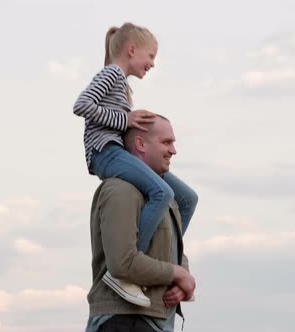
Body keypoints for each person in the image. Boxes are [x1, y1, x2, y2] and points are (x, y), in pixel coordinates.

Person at [73, 22, 198, 307]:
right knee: (162, 193)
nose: (152, 63)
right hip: (105, 152)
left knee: (186, 198)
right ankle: (129, 268)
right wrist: (125, 120)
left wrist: (132, 124)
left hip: (118, 148)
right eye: (151, 56)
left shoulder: (122, 84)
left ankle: (166, 256)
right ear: (131, 50)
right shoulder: (112, 74)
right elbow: (81, 105)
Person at [86, 115, 196, 332]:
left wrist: (182, 280)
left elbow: (171, 248)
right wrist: (177, 273)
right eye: (166, 142)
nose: (173, 150)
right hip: (124, 321)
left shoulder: (160, 198)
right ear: (140, 144)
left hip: (149, 321)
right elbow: (123, 263)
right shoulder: (121, 190)